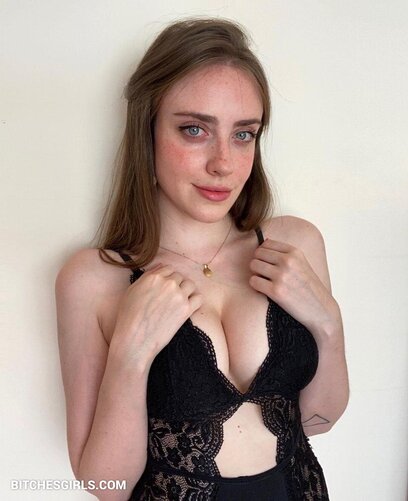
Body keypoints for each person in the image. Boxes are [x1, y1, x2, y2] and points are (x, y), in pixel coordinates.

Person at [55, 18, 349, 501]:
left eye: (243, 134)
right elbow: (106, 486)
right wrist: (130, 354)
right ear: (147, 129)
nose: (223, 163)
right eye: (194, 130)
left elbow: (320, 421)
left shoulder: (294, 245)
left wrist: (328, 325)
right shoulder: (94, 279)